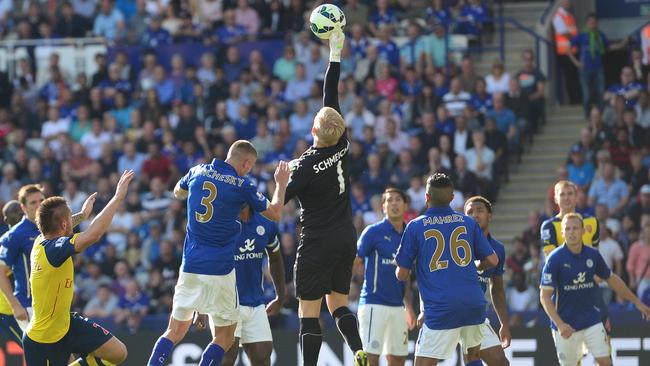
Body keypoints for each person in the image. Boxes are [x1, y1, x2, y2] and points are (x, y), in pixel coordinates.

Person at [147, 141, 290, 366]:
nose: (249, 170)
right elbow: (275, 212)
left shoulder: (197, 171)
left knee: (173, 331)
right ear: (245, 163)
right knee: (224, 339)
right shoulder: (242, 184)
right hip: (221, 269)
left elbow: (177, 191)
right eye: (250, 166)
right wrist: (281, 184)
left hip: (190, 266)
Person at [282, 30, 368, 366]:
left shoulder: (302, 167)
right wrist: (336, 52)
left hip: (317, 241)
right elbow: (329, 93)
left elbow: (281, 199)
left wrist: (279, 181)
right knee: (338, 304)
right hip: (346, 236)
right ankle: (358, 349)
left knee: (309, 313)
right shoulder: (343, 145)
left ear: (314, 130)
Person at [23, 171, 134, 365]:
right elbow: (94, 235)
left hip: (66, 324)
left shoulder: (43, 238)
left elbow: (60, 224)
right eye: (69, 218)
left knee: (118, 353)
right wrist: (117, 198)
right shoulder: (55, 249)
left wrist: (82, 215)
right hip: (44, 339)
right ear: (64, 224)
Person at [395, 173, 498, 366]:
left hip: (441, 307)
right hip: (473, 303)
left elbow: (401, 274)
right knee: (473, 356)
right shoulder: (468, 223)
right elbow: (492, 259)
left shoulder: (415, 226)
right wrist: (476, 265)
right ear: (452, 198)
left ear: (426, 197)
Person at [540, 213, 650, 366]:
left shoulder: (593, 255)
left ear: (584, 231)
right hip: (566, 325)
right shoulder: (554, 259)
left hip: (591, 320)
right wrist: (560, 324)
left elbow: (612, 279)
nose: (572, 232)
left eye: (575, 228)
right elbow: (544, 297)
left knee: (605, 362)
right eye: (568, 229)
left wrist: (637, 302)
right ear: (562, 233)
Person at [356, 188, 416, 366]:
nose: (394, 203)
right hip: (373, 304)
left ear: (405, 206)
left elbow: (406, 275)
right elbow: (355, 261)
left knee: (398, 359)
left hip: (398, 307)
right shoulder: (373, 232)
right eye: (389, 200)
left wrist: (409, 306)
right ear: (383, 207)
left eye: (398, 200)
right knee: (370, 358)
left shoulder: (410, 236)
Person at [220, 203, 286, 366]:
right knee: (226, 358)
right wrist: (200, 306)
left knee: (262, 358)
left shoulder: (266, 223)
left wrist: (280, 296)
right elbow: (205, 261)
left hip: (256, 303)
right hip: (226, 302)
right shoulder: (221, 223)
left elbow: (276, 258)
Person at [464, 196, 511, 366]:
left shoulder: (497, 248)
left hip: (475, 312)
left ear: (489, 216)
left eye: (479, 210)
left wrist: (504, 323)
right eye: (469, 212)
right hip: (449, 308)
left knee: (500, 363)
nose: (474, 215)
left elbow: (497, 288)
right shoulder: (457, 244)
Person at [541, 180, 599, 257]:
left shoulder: (592, 221)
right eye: (562, 194)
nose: (566, 198)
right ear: (555, 199)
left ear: (576, 197)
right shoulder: (549, 226)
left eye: (570, 194)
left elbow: (596, 255)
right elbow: (550, 259)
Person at [0, 200, 24, 345]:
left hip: (29, 306)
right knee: (35, 351)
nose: (18, 215)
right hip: (11, 310)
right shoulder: (8, 243)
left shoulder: (28, 235)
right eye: (15, 213)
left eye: (19, 212)